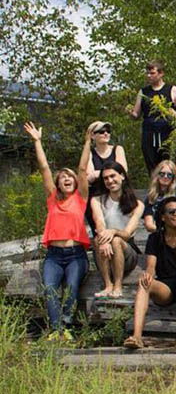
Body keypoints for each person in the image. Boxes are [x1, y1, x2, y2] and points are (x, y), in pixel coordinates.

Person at [25, 122, 92, 338]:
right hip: (54, 256)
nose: (67, 178)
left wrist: (88, 141)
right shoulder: (53, 199)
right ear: (58, 183)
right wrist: (37, 141)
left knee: (72, 288)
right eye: (63, 176)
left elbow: (82, 169)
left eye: (70, 176)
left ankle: (67, 327)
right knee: (50, 290)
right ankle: (55, 330)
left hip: (76, 256)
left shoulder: (81, 199)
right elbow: (44, 168)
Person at [126, 196, 176, 350]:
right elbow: (151, 265)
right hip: (166, 286)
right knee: (144, 283)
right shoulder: (154, 238)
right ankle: (137, 336)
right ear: (163, 217)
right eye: (172, 212)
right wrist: (148, 275)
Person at [90, 161, 143, 299]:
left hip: (127, 252)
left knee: (117, 240)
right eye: (106, 178)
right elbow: (99, 221)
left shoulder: (137, 204)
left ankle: (118, 285)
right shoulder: (97, 200)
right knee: (97, 240)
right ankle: (108, 285)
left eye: (113, 176)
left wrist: (112, 232)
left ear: (122, 176)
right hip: (104, 251)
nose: (110, 181)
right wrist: (103, 239)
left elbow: (126, 234)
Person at [129, 59, 176, 172]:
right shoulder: (143, 92)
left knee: (169, 166)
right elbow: (136, 115)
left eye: (152, 73)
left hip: (168, 134)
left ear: (161, 73)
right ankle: (154, 188)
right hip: (149, 134)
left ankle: (171, 188)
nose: (149, 76)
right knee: (152, 167)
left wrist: (175, 114)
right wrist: (130, 112)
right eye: (147, 73)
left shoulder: (172, 90)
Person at [84, 120, 127, 232]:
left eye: (108, 131)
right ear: (92, 135)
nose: (106, 133)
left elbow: (123, 171)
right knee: (98, 233)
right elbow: (88, 177)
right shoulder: (89, 152)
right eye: (101, 131)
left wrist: (98, 173)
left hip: (116, 196)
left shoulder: (118, 149)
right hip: (96, 197)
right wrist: (112, 172)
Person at [143, 158, 176, 232]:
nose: (165, 177)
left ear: (173, 178)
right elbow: (149, 225)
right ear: (157, 175)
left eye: (169, 175)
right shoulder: (151, 198)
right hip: (160, 234)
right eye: (162, 174)